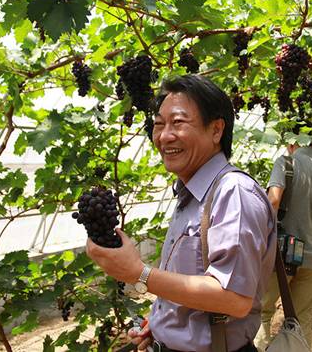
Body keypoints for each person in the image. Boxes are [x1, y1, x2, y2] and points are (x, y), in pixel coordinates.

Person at [86, 74, 277, 352]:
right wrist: (165, 321)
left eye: (178, 123)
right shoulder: (191, 193)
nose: (164, 136)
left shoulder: (232, 192)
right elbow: (194, 282)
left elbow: (234, 298)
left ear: (216, 130)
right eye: (159, 124)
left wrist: (139, 273)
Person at [254, 137, 312, 350]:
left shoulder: (285, 162)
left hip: (281, 256)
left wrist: (258, 243)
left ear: (292, 144)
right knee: (300, 319)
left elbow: (273, 201)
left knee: (262, 313)